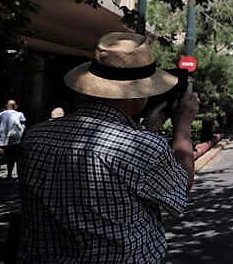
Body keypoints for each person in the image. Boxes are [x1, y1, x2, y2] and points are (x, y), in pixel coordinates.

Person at [18, 32, 200, 263]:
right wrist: (182, 127)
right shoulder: (145, 149)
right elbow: (181, 186)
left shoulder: (35, 137)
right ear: (140, 95)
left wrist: (148, 127)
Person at [0, 99, 26, 180]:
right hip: (14, 141)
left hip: (0, 141)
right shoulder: (19, 114)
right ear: (15, 106)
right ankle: (9, 175)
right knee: (11, 158)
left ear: (6, 106)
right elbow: (23, 125)